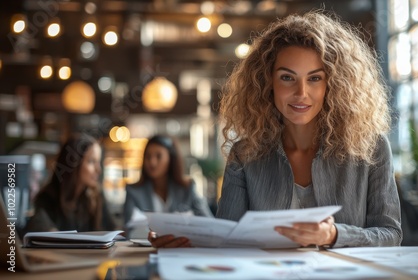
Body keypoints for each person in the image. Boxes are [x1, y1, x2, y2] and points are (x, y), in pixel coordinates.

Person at [149, 10, 402, 248]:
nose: (301, 93)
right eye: (287, 77)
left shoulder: (371, 147)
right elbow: (229, 237)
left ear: (333, 84)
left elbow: (390, 234)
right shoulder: (244, 154)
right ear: (267, 81)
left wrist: (334, 235)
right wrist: (189, 240)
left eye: (314, 78)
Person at [123, 135, 213, 238]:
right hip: (144, 251)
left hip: (182, 250)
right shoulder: (133, 191)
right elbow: (129, 231)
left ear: (171, 159)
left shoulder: (187, 188)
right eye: (148, 157)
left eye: (158, 156)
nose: (152, 162)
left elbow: (209, 224)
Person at [25, 133, 116, 233]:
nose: (98, 170)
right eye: (91, 162)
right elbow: (43, 228)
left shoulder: (96, 196)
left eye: (98, 162)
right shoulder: (48, 197)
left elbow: (112, 232)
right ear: (74, 164)